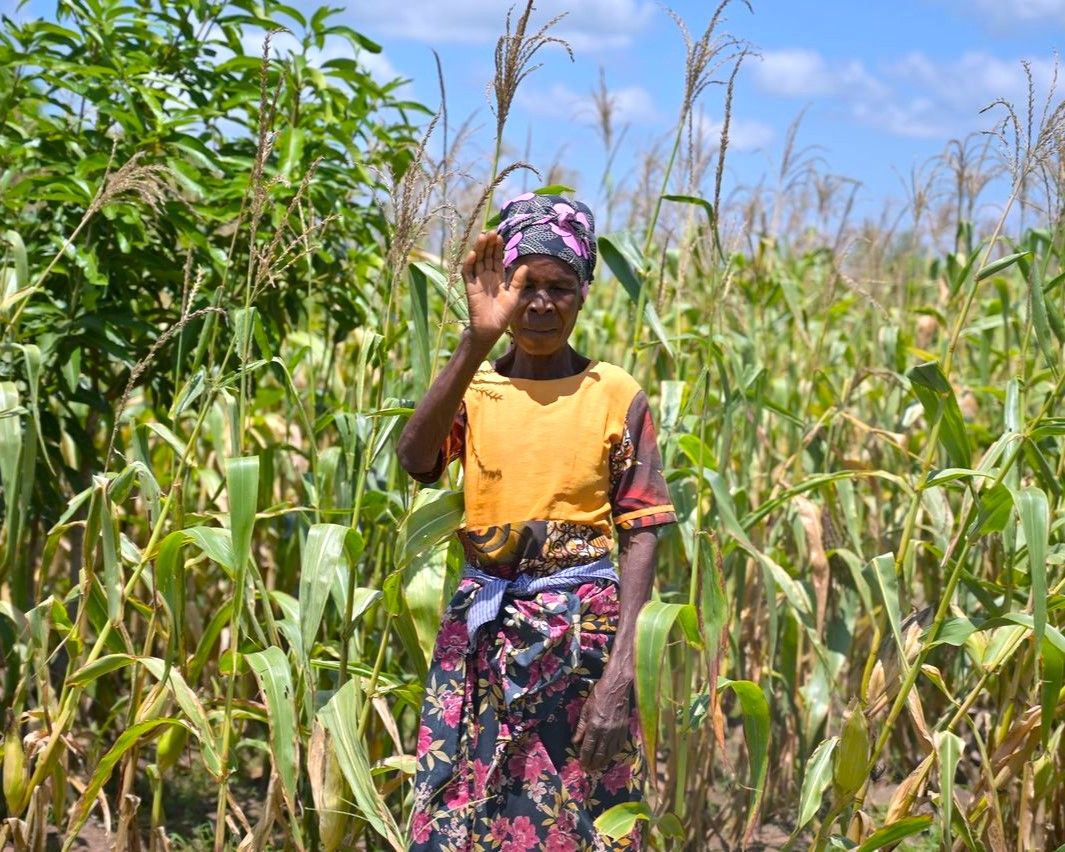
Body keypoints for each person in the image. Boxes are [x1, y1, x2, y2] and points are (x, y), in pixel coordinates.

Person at [396, 193, 677, 850]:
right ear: (502, 288)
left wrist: (620, 674)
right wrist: (476, 339)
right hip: (481, 632)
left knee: (576, 819)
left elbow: (642, 531)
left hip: (580, 642)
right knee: (463, 814)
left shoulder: (614, 393)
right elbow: (416, 461)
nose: (541, 304)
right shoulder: (476, 387)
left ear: (583, 295)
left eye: (560, 287)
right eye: (525, 285)